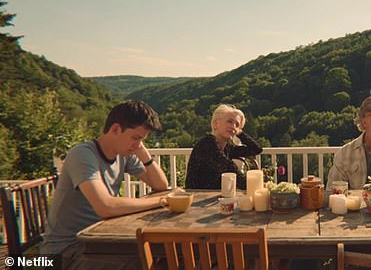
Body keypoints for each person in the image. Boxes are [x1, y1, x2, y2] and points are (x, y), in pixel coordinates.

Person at [42, 100, 169, 268]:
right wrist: (160, 202)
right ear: (115, 129)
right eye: (135, 138)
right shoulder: (82, 154)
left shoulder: (123, 153)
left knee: (161, 255)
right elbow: (105, 206)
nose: (137, 144)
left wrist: (142, 152)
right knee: (147, 262)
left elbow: (161, 186)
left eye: (142, 140)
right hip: (65, 252)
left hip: (97, 240)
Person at [185, 104, 262, 190]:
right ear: (216, 124)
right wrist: (256, 185)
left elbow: (256, 149)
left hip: (213, 197)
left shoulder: (227, 147)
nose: (233, 126)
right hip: (196, 197)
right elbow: (230, 168)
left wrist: (240, 133)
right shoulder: (207, 144)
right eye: (229, 121)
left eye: (236, 124)